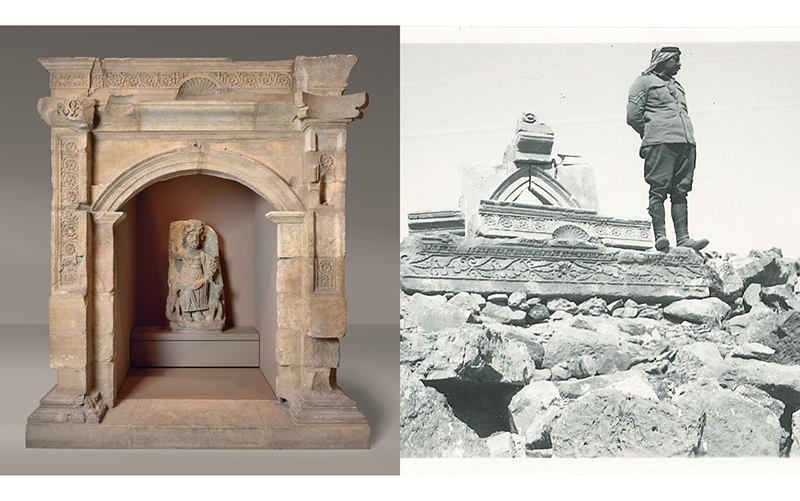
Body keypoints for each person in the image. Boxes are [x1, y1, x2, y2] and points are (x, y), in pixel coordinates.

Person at [626, 46, 709, 252]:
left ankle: (684, 239)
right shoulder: (643, 82)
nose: (679, 65)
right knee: (658, 189)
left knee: (681, 190)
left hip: (686, 143)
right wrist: (653, 133)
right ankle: (660, 236)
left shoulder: (678, 86)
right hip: (660, 142)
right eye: (676, 60)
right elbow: (633, 116)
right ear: (663, 60)